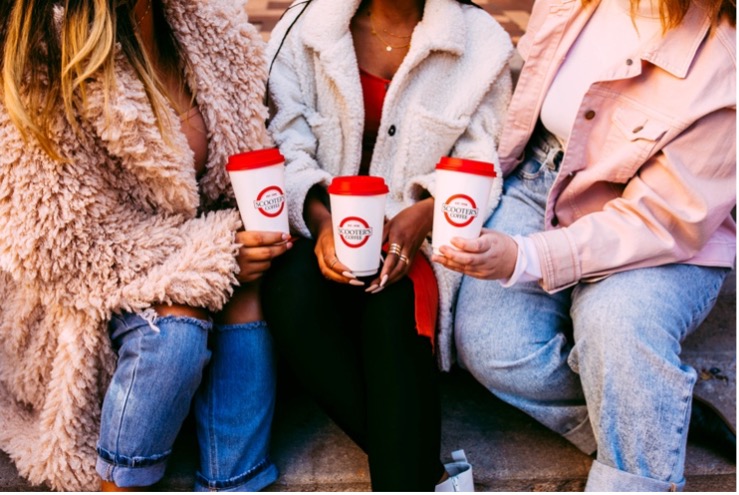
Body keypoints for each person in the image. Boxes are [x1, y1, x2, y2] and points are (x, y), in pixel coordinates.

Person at [433, 0, 736, 491]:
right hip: (541, 178)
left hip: (659, 228)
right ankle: (655, 411)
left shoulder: (726, 58)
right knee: (493, 345)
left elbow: (665, 218)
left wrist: (527, 256)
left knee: (617, 325)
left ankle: (639, 453)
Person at [0, 0, 287, 491]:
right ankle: (122, 483)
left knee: (245, 291)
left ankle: (234, 481)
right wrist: (217, 250)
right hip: (83, 295)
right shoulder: (44, 52)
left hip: (196, 258)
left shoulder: (209, 25)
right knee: (175, 329)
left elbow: (247, 164)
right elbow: (59, 245)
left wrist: (243, 246)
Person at [261, 0, 512, 490]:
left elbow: (485, 159)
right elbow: (283, 147)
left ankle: (413, 473)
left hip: (420, 246)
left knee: (392, 306)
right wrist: (322, 220)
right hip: (321, 232)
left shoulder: (482, 41)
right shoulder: (303, 26)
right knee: (290, 287)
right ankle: (430, 473)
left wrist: (424, 213)